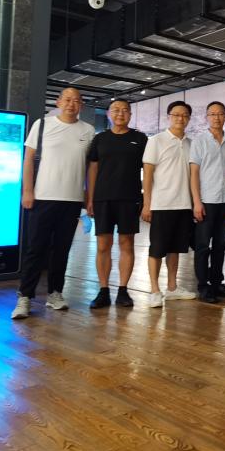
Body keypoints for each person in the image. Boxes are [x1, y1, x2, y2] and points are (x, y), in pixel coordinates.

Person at [12, 88, 95, 319]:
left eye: (76, 100)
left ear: (81, 105)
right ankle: (25, 297)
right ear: (58, 102)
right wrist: (27, 191)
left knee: (62, 250)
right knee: (35, 249)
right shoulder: (42, 125)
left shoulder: (88, 130)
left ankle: (55, 293)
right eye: (67, 99)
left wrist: (89, 197)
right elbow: (28, 159)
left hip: (72, 200)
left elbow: (90, 167)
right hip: (43, 197)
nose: (71, 104)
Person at [86, 99, 147, 309]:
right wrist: (90, 198)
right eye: (116, 110)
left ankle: (123, 290)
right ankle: (103, 291)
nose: (120, 113)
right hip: (103, 198)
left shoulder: (139, 138)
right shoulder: (100, 138)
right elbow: (93, 168)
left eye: (125, 110)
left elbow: (149, 169)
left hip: (129, 198)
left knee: (126, 244)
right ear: (109, 114)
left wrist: (147, 199)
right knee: (103, 245)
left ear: (130, 114)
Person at [141, 100, 197, 307]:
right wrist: (147, 204)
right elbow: (148, 174)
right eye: (176, 114)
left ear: (189, 119)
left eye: (184, 115)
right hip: (161, 204)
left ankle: (172, 288)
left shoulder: (191, 143)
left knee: (175, 248)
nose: (180, 118)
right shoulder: (156, 140)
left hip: (184, 204)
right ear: (169, 117)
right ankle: (154, 290)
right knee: (157, 249)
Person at [189, 101, 225, 304]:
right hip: (206, 201)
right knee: (202, 246)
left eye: (220, 114)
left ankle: (217, 283)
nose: (216, 118)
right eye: (212, 114)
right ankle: (203, 286)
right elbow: (194, 174)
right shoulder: (199, 141)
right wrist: (197, 202)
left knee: (220, 245)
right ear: (207, 117)